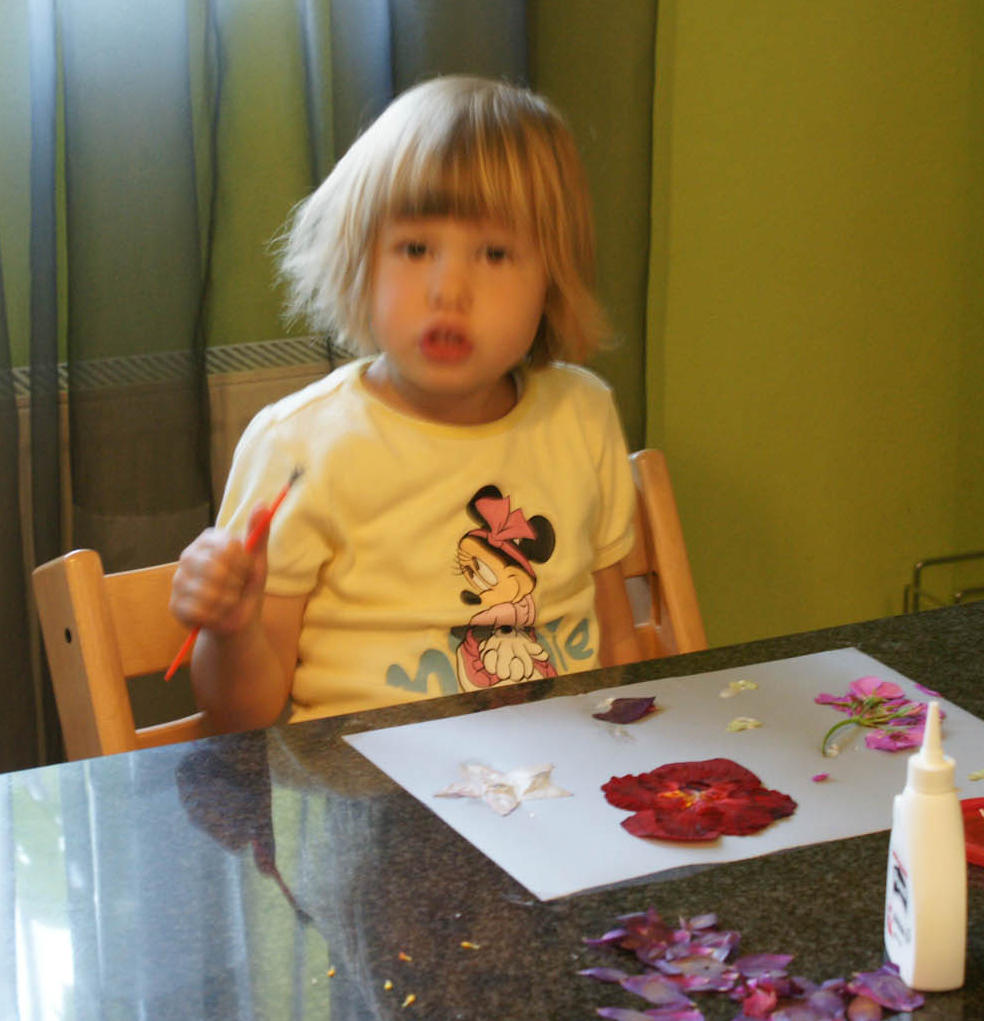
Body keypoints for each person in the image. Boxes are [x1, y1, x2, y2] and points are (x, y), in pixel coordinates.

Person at [169, 74, 641, 733]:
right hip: (368, 788)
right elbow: (239, 715)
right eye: (416, 249)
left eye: (495, 253)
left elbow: (618, 648)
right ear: (360, 263)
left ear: (553, 280)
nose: (449, 289)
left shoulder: (582, 416)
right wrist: (231, 628)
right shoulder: (298, 445)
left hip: (561, 778)